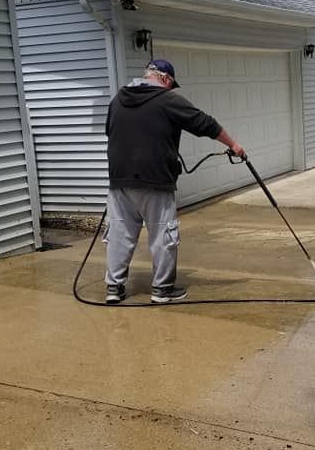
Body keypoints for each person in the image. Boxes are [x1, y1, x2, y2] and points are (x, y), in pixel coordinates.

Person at [104, 59, 245, 304]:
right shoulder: (168, 99)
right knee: (162, 234)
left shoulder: (117, 100)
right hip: (156, 179)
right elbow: (205, 123)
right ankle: (162, 289)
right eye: (171, 85)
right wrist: (234, 146)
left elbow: (111, 131)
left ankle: (114, 288)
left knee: (120, 234)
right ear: (166, 79)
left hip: (120, 180)